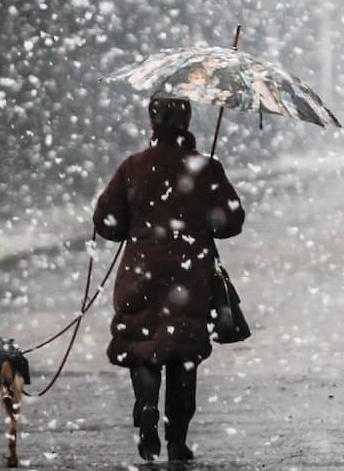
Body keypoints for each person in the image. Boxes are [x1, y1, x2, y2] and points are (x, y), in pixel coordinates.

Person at [93, 97, 246, 463]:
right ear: (187, 121)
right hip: (190, 271)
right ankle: (177, 440)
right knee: (183, 353)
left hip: (140, 270)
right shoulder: (205, 168)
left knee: (142, 344)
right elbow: (231, 222)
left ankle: (146, 406)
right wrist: (204, 211)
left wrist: (136, 225)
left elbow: (106, 221)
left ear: (152, 121)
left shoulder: (132, 167)